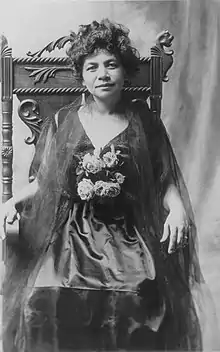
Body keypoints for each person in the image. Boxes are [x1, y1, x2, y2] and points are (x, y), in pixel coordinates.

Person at [0, 18, 207, 351]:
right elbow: (44, 182)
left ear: (124, 72)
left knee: (141, 291)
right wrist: (11, 203)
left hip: (128, 231)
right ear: (82, 76)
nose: (103, 74)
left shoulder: (144, 122)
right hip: (70, 234)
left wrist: (178, 207)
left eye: (111, 65)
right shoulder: (63, 120)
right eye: (92, 67)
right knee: (46, 293)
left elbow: (163, 179)